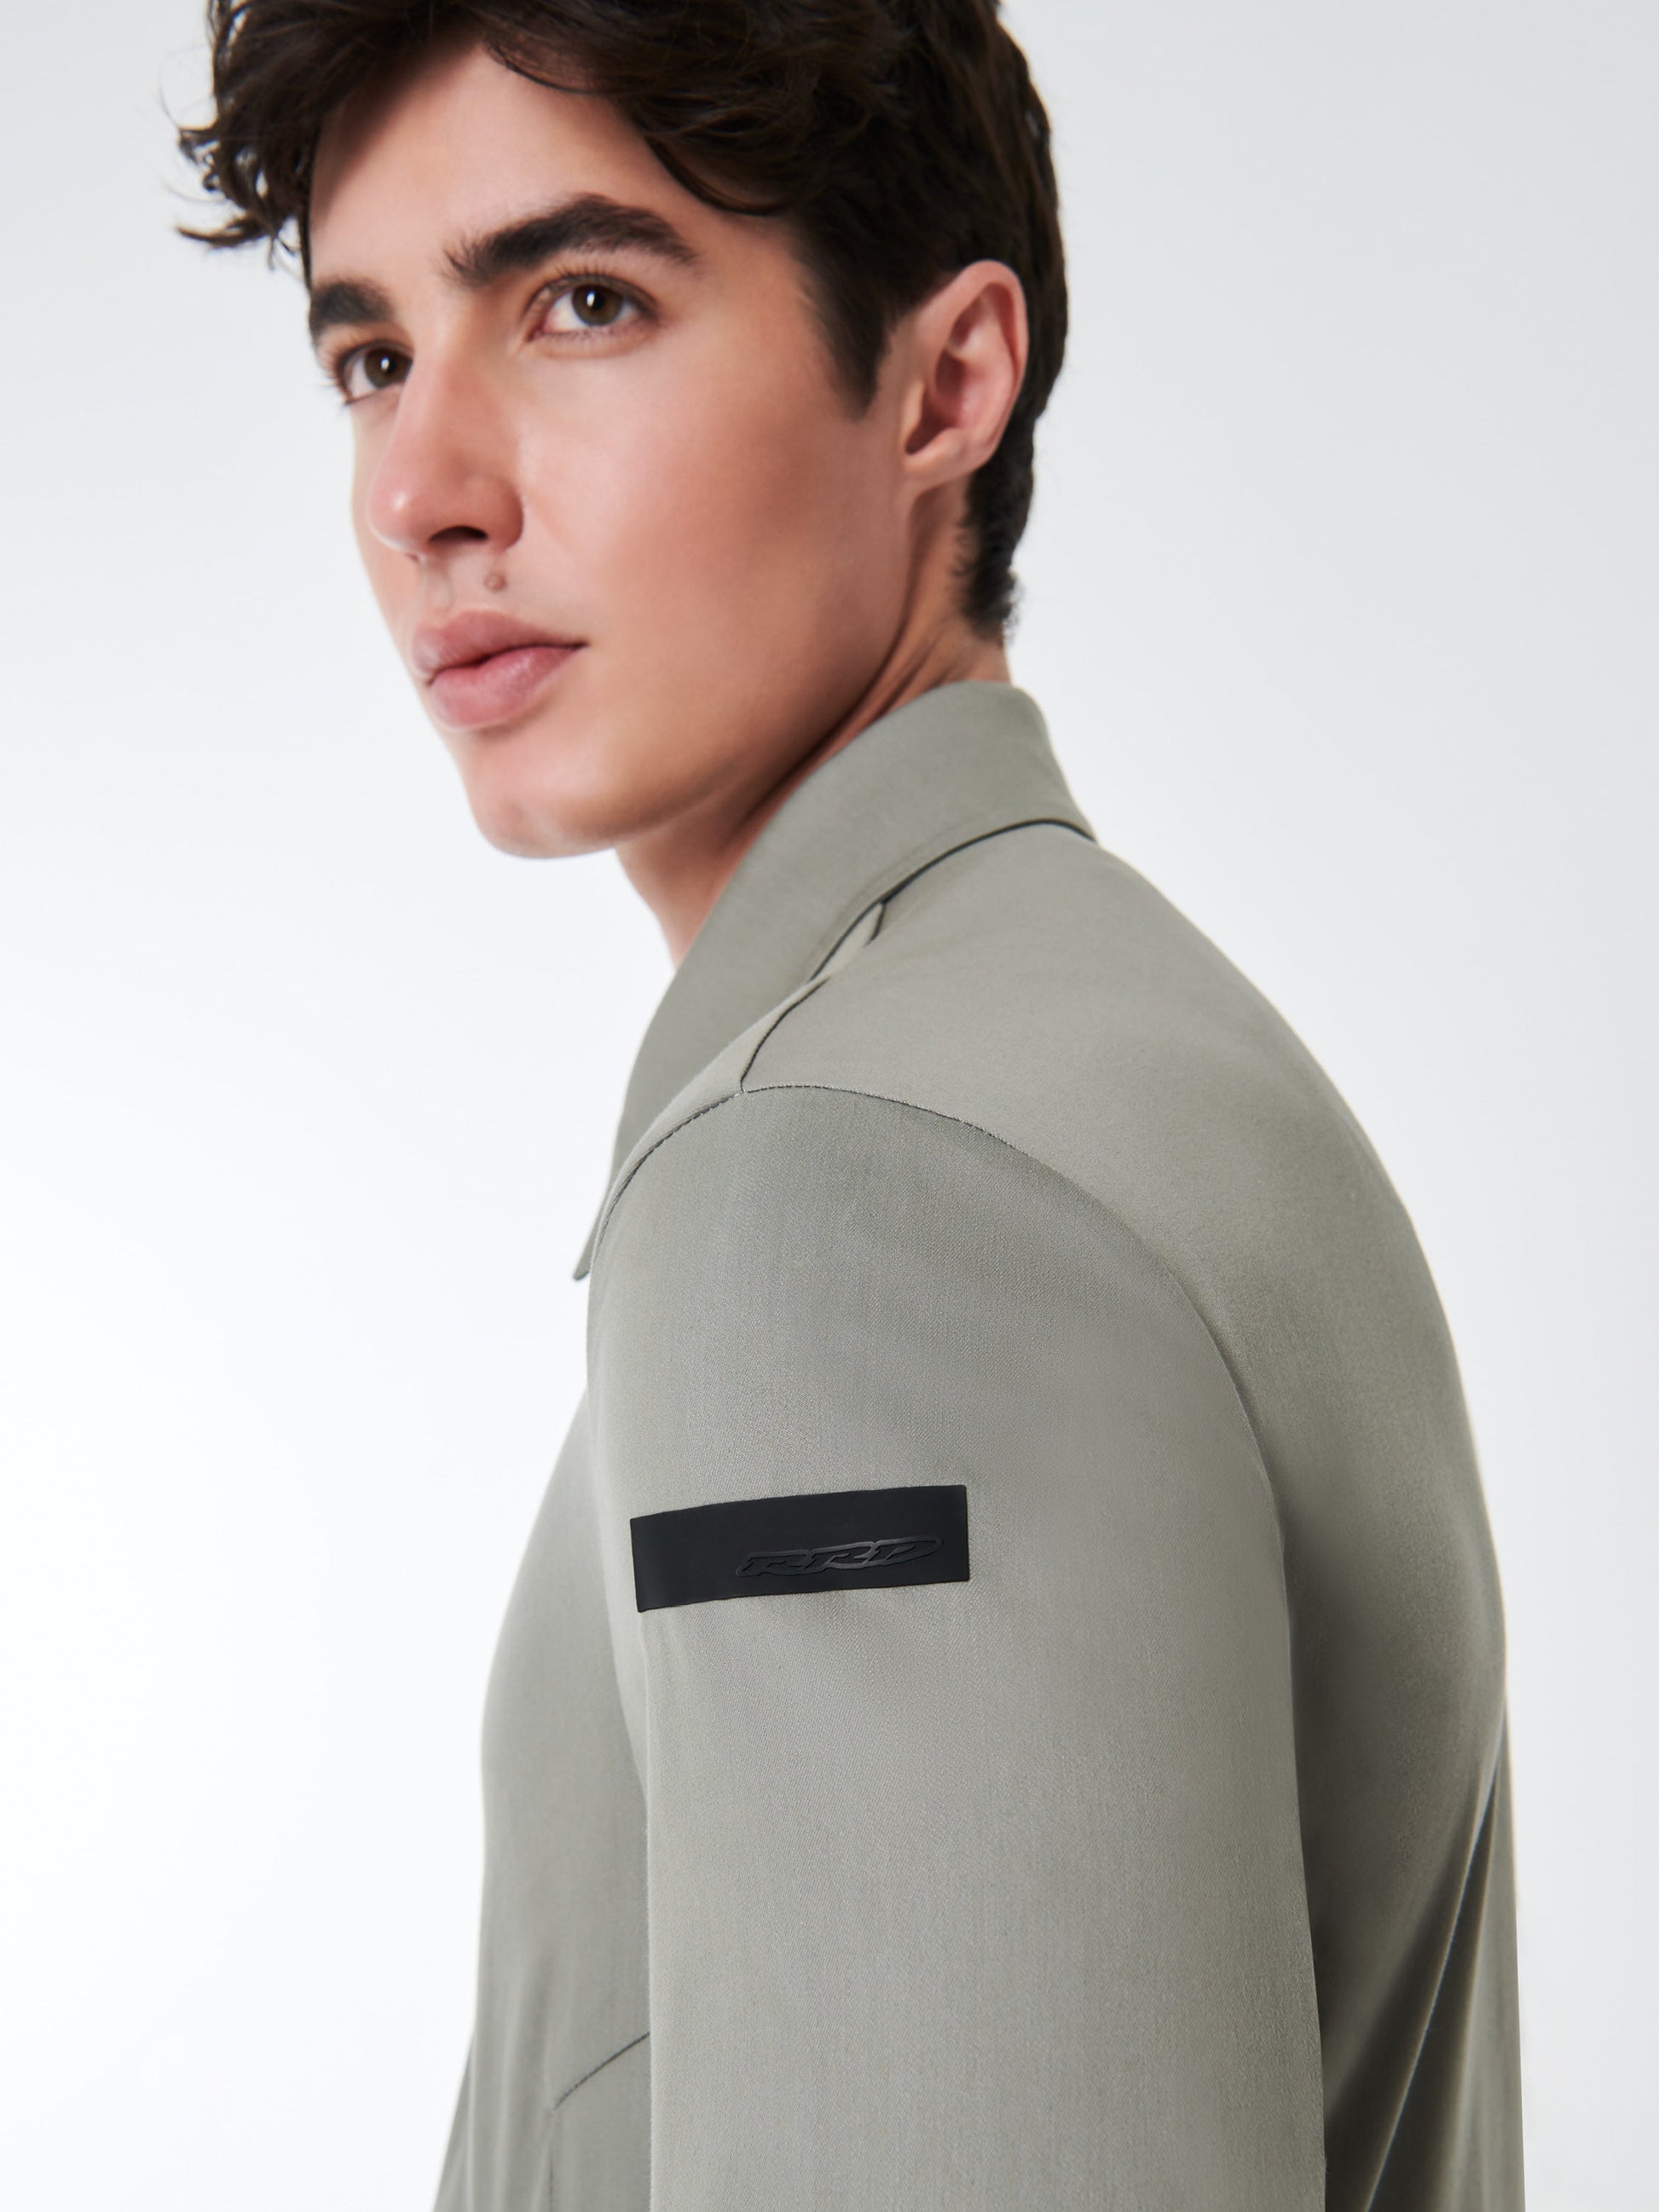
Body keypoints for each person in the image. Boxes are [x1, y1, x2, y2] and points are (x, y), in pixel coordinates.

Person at [177, 4, 1523, 2205]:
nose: (423, 493)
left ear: (942, 382)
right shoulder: (1117, 1048)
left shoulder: (861, 1184)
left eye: (580, 302)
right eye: (373, 356)